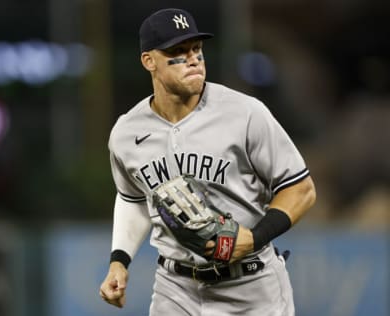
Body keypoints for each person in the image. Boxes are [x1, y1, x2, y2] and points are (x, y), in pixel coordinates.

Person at [99, 7, 316, 316]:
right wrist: (119, 260)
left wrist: (254, 238)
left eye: (196, 48)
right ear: (149, 61)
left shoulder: (245, 113)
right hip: (175, 288)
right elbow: (133, 198)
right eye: (177, 51)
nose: (192, 58)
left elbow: (301, 190)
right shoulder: (126, 132)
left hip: (251, 287)